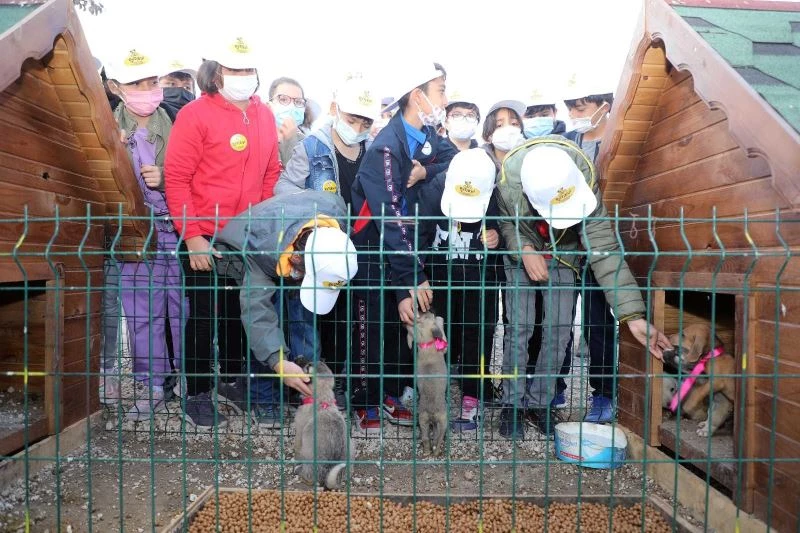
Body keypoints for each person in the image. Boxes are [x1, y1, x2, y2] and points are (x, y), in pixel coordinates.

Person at [495, 136, 671, 440]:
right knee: (519, 326)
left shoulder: (582, 178)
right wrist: (523, 249)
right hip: (522, 251)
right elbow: (508, 224)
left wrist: (633, 316)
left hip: (565, 251)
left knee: (559, 330)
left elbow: (603, 248)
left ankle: (541, 403)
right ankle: (511, 404)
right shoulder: (509, 184)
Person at [164, 35, 282, 429]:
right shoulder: (195, 115)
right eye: (234, 69)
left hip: (246, 235)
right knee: (204, 314)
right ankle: (195, 390)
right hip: (204, 231)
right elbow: (177, 179)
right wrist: (193, 235)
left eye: (248, 70)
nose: (242, 77)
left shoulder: (264, 115)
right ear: (216, 74)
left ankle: (232, 381)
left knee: (239, 310)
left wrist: (262, 226)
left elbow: (271, 174)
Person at [349, 61, 455, 433]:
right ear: (417, 96)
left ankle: (392, 393)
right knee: (369, 326)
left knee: (401, 325)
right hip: (373, 253)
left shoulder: (424, 138)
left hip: (405, 252)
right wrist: (412, 276)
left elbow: (455, 158)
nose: (445, 98)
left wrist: (427, 172)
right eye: (440, 90)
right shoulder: (385, 148)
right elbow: (391, 217)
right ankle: (364, 400)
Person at [273, 76, 379, 395]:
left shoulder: (373, 151)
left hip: (358, 250)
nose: (357, 126)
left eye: (364, 121)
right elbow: (284, 189)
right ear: (335, 109)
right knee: (309, 319)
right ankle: (310, 390)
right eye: (351, 119)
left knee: (350, 320)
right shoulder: (312, 146)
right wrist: (310, 216)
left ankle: (347, 386)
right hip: (318, 250)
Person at [214, 190, 359, 407]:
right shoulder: (260, 247)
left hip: (291, 223)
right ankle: (261, 397)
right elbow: (257, 312)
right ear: (296, 258)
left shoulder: (336, 221)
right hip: (249, 237)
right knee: (266, 324)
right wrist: (278, 362)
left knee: (301, 319)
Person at [102, 47, 183, 421]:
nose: (147, 89)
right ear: (116, 86)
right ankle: (152, 385)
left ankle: (187, 380)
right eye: (137, 83)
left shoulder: (179, 124)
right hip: (135, 233)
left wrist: (168, 180)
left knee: (182, 309)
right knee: (141, 312)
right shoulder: (103, 128)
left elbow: (196, 176)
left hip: (178, 231)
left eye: (152, 82)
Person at [425, 148, 502, 432]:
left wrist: (497, 235)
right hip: (440, 275)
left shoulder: (496, 195)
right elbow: (419, 234)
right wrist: (417, 276)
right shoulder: (434, 192)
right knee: (437, 335)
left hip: (481, 278)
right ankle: (432, 399)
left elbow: (510, 228)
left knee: (477, 333)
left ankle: (473, 397)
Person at [556, 84, 619, 423]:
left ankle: (604, 393)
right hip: (569, 246)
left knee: (598, 322)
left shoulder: (618, 141)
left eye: (581, 107)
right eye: (572, 109)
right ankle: (556, 385)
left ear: (604, 104)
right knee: (560, 319)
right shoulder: (569, 145)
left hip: (603, 245)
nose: (575, 116)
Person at [267, 76, 307, 165]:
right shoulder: (257, 141)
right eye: (283, 99)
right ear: (269, 106)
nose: (292, 107)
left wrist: (290, 141)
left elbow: (298, 176)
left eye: (298, 102)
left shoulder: (309, 144)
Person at [481, 99, 527, 168]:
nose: (509, 128)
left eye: (514, 123)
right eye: (499, 125)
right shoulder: (480, 163)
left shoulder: (528, 160)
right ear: (488, 136)